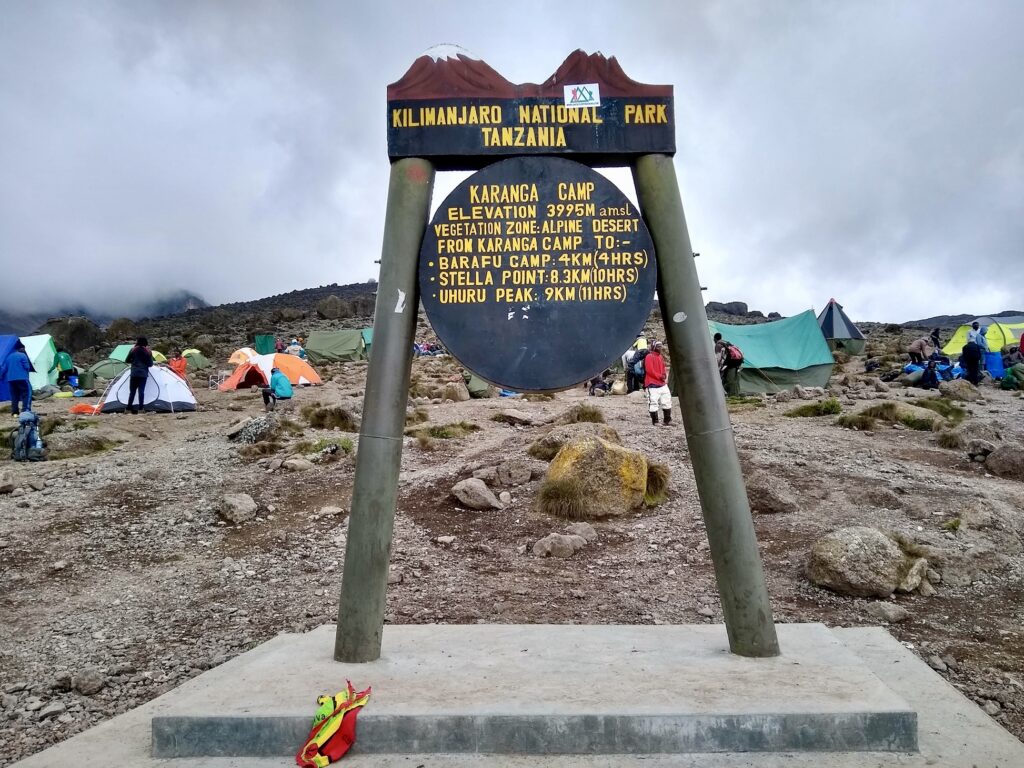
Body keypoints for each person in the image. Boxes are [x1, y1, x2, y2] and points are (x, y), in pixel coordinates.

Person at [1, 341, 33, 417]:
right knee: (27, 393)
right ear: (21, 348)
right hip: (22, 378)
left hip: (11, 380)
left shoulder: (9, 357)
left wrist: (1, 376)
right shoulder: (22, 355)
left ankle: (15, 412)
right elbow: (27, 367)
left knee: (14, 396)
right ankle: (26, 410)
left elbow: (4, 369)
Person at [644, 342, 671, 425]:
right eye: (658, 346)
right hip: (652, 384)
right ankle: (655, 421)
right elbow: (649, 370)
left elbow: (663, 368)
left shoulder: (660, 357)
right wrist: (660, 376)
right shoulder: (649, 356)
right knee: (653, 402)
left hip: (662, 384)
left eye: (660, 346)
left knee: (667, 401)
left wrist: (664, 375)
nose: (660, 348)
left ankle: (667, 420)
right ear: (654, 347)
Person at [125, 336, 154, 414]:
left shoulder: (133, 350)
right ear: (145, 343)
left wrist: (134, 362)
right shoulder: (148, 352)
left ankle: (128, 409)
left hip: (134, 373)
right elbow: (150, 364)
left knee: (132, 392)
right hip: (143, 374)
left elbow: (127, 360)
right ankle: (141, 409)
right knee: (141, 391)